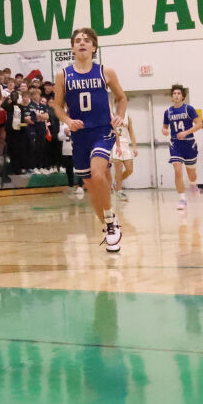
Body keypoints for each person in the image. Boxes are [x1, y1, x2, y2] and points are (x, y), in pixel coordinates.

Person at [51, 27, 128, 252]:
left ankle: (111, 224)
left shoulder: (106, 72)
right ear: (72, 47)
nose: (82, 43)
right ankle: (107, 223)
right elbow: (57, 105)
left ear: (94, 47)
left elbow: (122, 98)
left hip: (102, 131)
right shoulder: (63, 75)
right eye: (78, 40)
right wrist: (67, 120)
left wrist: (120, 116)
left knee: (98, 173)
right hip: (80, 135)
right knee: (91, 186)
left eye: (87, 40)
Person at [161, 85, 200, 210]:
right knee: (177, 170)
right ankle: (182, 198)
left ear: (183, 96)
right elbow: (165, 127)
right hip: (175, 144)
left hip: (189, 143)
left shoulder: (189, 109)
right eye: (174, 93)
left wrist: (186, 132)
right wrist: (164, 130)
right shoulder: (168, 112)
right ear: (172, 96)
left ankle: (193, 184)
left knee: (191, 174)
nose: (176, 95)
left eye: (178, 93)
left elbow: (200, 124)